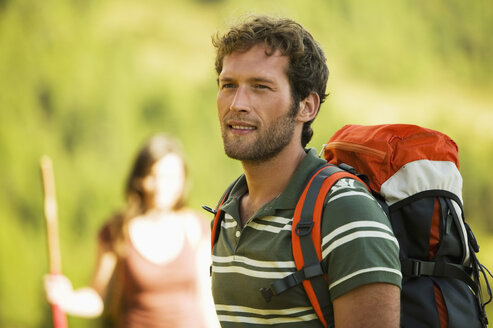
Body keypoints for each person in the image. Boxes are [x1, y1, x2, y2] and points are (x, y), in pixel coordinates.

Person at [210, 15, 402, 327]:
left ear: (306, 107)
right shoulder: (228, 209)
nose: (237, 103)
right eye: (228, 85)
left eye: (261, 87)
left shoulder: (344, 209)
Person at [44, 134, 219, 328]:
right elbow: (97, 297)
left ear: (183, 181)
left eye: (171, 177)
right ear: (140, 179)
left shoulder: (195, 227)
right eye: (154, 175)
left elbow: (206, 300)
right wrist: (67, 298)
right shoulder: (118, 231)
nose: (162, 185)